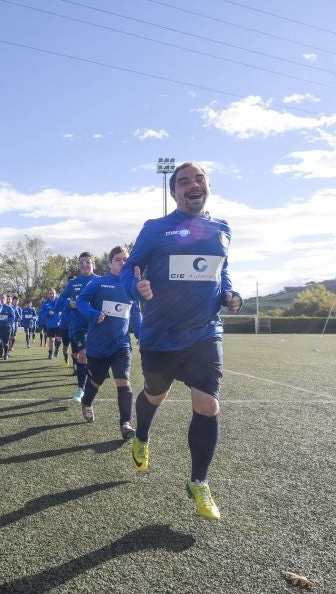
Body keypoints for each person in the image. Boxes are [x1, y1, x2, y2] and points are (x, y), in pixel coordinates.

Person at [121, 162, 242, 521]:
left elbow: (222, 271)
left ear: (208, 186)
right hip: (161, 334)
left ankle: (199, 481)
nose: (193, 184)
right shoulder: (156, 229)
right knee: (155, 395)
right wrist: (135, 286)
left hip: (205, 332)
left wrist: (230, 294)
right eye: (184, 181)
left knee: (208, 405)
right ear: (174, 192)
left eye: (199, 179)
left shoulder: (222, 228)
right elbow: (130, 269)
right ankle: (141, 434)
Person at [76, 246, 142, 439]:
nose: (122, 262)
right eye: (118, 259)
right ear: (110, 262)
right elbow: (81, 301)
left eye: (125, 259)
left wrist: (141, 336)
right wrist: (93, 314)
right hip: (98, 344)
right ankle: (86, 402)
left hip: (121, 344)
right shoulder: (99, 283)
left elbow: (136, 314)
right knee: (96, 380)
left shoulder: (132, 286)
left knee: (123, 380)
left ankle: (126, 423)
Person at [56, 252, 99, 402]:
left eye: (88, 262)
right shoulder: (73, 283)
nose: (84, 265)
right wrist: (69, 303)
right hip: (79, 326)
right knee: (81, 355)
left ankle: (86, 384)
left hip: (97, 325)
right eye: (81, 263)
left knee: (87, 357)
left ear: (94, 264)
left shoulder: (100, 281)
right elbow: (60, 301)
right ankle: (81, 388)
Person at [40, 289, 61, 359]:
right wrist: (48, 313)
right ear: (48, 294)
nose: (52, 295)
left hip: (59, 324)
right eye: (50, 293)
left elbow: (64, 309)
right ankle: (50, 353)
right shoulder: (45, 303)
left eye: (53, 293)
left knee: (58, 339)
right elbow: (41, 313)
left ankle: (57, 349)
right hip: (50, 324)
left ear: (56, 294)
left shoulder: (59, 301)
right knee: (51, 339)